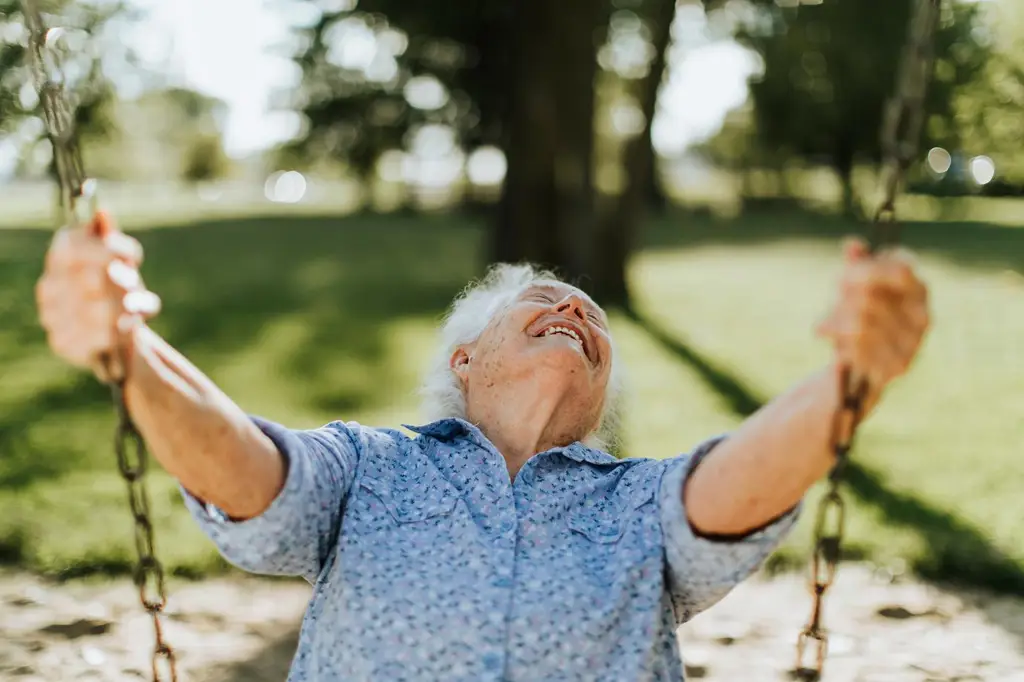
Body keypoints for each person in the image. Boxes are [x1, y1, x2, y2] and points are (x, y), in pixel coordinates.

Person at [36, 212, 930, 682]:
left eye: (593, 317)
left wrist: (852, 381)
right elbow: (254, 478)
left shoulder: (638, 502)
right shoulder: (368, 468)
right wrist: (131, 353)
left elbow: (734, 484)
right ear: (467, 360)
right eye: (544, 299)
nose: (574, 309)